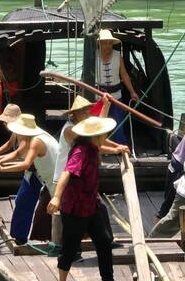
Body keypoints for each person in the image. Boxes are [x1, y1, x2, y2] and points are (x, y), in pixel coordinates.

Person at [53, 94, 129, 252]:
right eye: (85, 112)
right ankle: (71, 251)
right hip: (67, 178)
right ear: (75, 114)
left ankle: (106, 241)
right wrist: (116, 149)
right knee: (72, 215)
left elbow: (98, 137)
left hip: (81, 177)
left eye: (89, 111)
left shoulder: (84, 129)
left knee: (98, 208)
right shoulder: (70, 130)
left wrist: (118, 147)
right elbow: (96, 142)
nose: (88, 115)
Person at [47, 116, 117, 281]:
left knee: (104, 241)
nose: (105, 138)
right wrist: (56, 197)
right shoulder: (81, 151)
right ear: (95, 136)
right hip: (75, 209)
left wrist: (118, 149)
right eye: (104, 135)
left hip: (91, 206)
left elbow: (103, 148)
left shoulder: (92, 147)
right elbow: (67, 172)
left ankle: (108, 278)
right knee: (69, 250)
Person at [0, 114, 59, 244]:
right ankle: (22, 239)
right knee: (38, 210)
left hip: (56, 180)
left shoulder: (36, 141)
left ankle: (65, 246)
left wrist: (1, 169)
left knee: (55, 213)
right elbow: (18, 155)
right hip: (47, 179)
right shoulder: (33, 138)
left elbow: (25, 164)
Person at [95, 29, 139, 145]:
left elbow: (124, 75)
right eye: (105, 43)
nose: (108, 45)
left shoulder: (117, 56)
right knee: (99, 123)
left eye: (110, 42)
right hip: (99, 97)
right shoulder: (93, 56)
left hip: (116, 96)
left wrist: (132, 92)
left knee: (118, 123)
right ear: (100, 43)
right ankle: (99, 146)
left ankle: (120, 147)